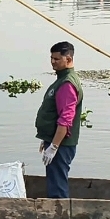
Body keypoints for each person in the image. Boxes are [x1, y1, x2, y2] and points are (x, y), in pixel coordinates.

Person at [34, 42, 83, 199]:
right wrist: (47, 138)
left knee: (57, 185)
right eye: (51, 58)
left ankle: (60, 217)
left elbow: (65, 120)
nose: (53, 62)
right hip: (54, 140)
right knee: (55, 180)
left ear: (68, 59)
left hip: (62, 145)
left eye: (56, 59)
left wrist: (54, 146)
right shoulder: (61, 80)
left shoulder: (67, 83)